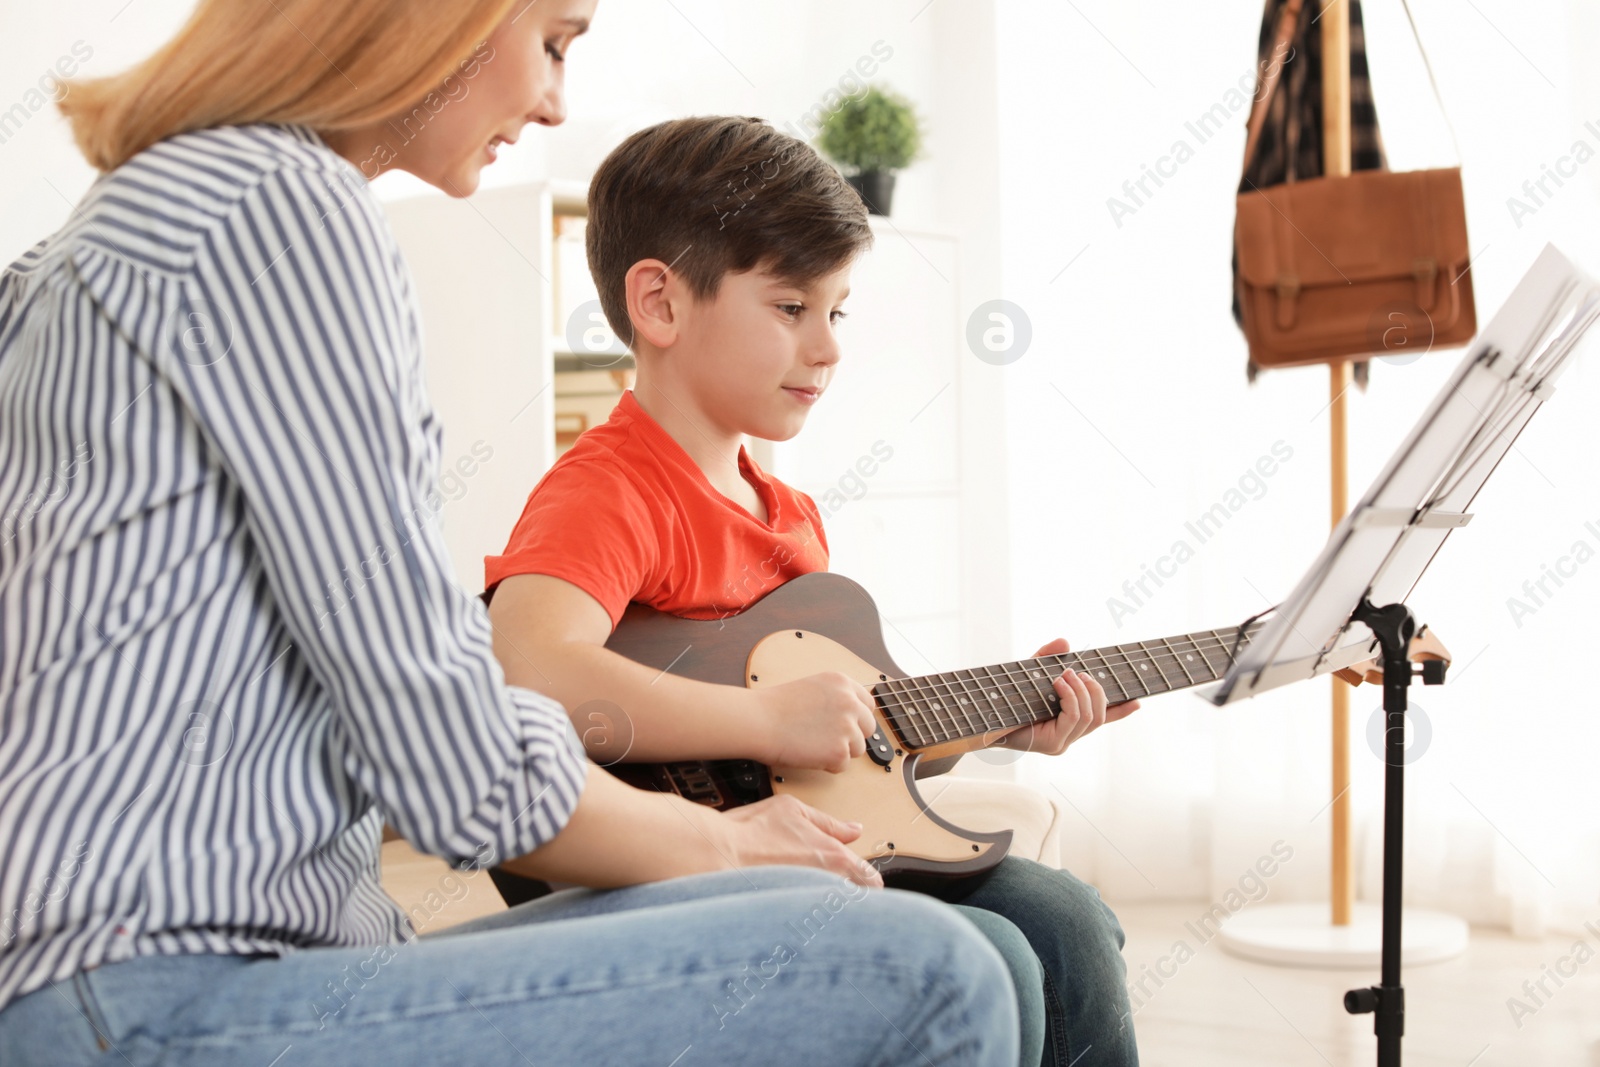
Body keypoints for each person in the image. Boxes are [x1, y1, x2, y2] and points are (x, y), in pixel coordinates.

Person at [0, 2, 1021, 1064]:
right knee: (922, 969)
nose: (554, 101)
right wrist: (719, 836)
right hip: (144, 996)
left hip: (190, 968)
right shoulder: (279, 209)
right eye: (554, 41)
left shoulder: (105, 231)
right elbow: (454, 752)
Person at [483, 115, 1144, 1067]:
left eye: (838, 312)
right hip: (676, 874)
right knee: (992, 953)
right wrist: (762, 723)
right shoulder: (610, 488)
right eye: (791, 308)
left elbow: (850, 752)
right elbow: (531, 670)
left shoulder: (789, 514)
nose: (827, 348)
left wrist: (1003, 724)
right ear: (660, 304)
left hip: (826, 854)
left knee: (1068, 920)